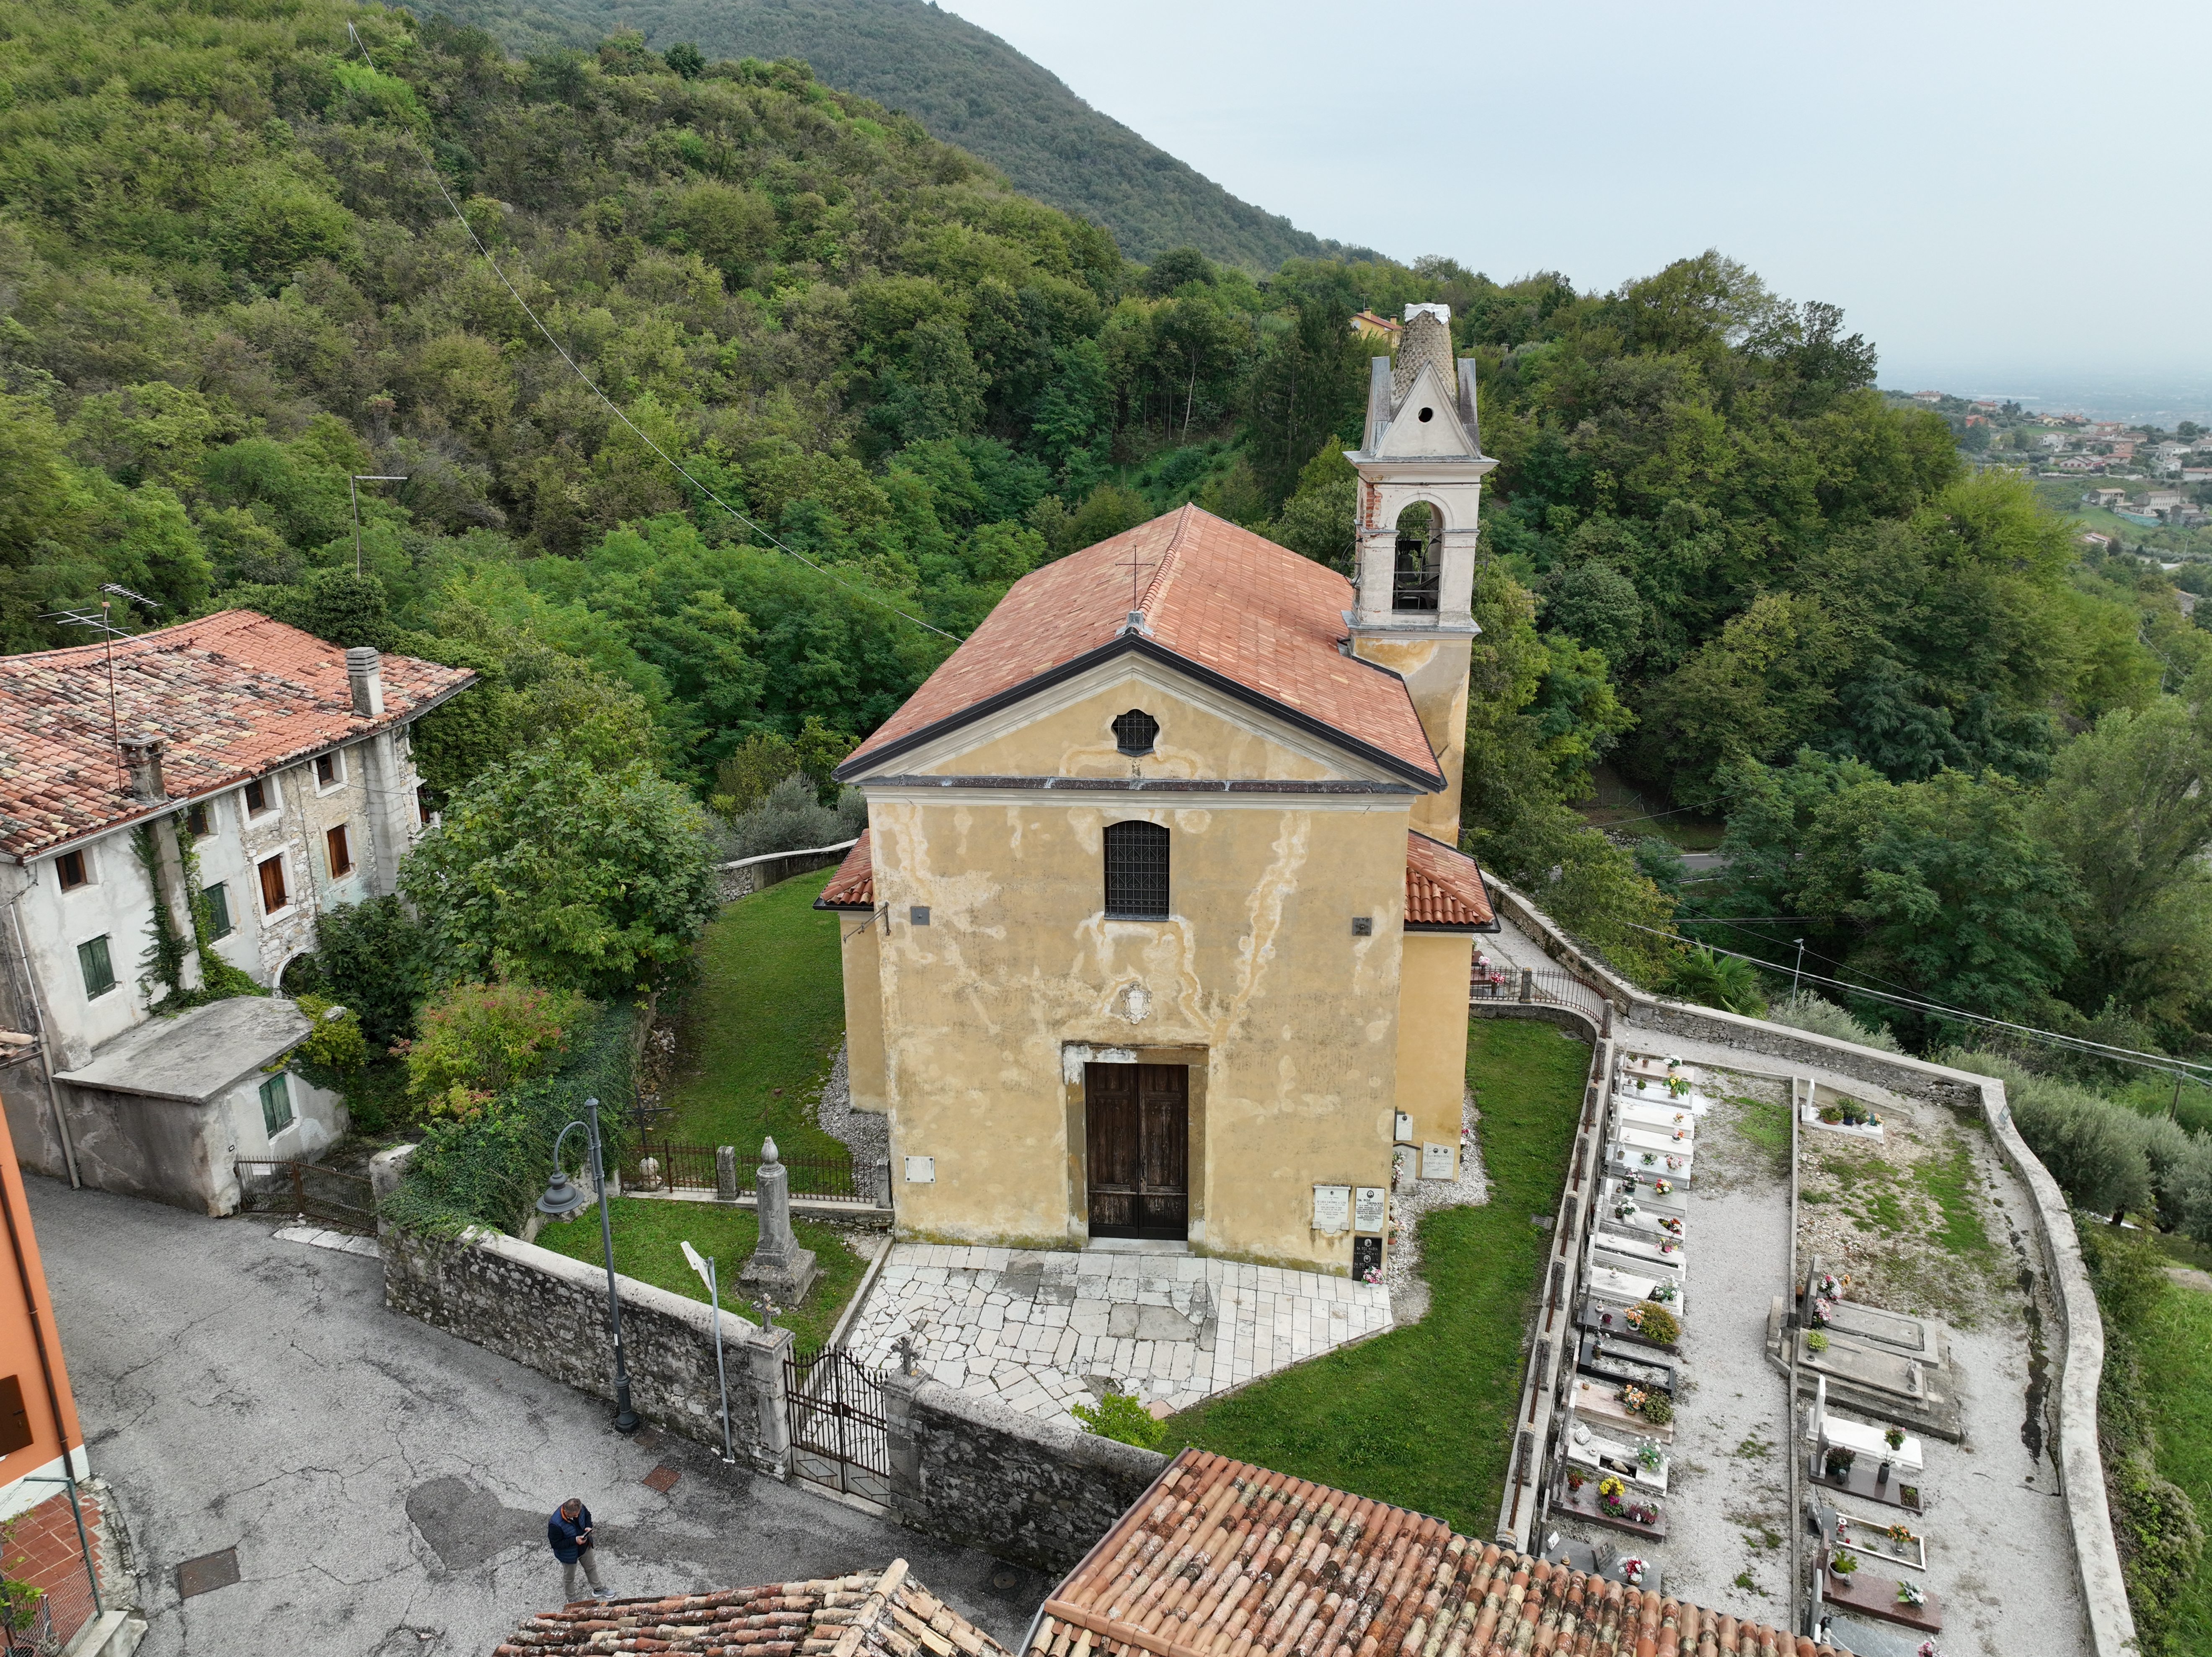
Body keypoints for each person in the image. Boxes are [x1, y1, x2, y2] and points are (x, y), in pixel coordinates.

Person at [547, 1497, 607, 1602]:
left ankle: (598, 1589)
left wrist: (588, 1527)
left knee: (591, 1568)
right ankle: (571, 1599)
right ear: (566, 1512)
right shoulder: (555, 1524)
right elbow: (556, 1544)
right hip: (569, 1555)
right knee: (569, 1578)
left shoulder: (580, 1508)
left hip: (585, 1547)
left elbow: (588, 1515)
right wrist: (575, 1540)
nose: (577, 1516)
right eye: (574, 1516)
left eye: (578, 1514)